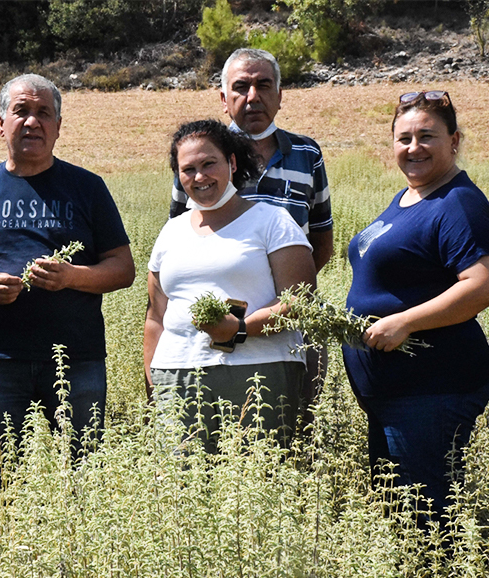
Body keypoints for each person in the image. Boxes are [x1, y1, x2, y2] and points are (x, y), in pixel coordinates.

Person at [0, 74, 135, 441]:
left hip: (76, 358)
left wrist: (70, 277)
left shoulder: (88, 188)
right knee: (2, 468)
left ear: (58, 127)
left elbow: (123, 269)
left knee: (81, 465)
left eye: (44, 113)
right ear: (1, 123)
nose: (32, 121)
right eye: (20, 111)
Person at [342, 91, 489, 519]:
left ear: (454, 140)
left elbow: (481, 285)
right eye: (404, 137)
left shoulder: (458, 203)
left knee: (426, 519)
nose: (413, 147)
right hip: (395, 391)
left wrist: (403, 322)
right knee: (400, 516)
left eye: (427, 136)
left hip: (430, 390)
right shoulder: (411, 198)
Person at [170, 48, 333, 411]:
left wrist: (278, 296)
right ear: (224, 98)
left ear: (280, 95)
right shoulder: (197, 156)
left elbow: (321, 242)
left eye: (264, 85)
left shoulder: (307, 154)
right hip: (208, 332)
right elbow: (177, 241)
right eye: (241, 87)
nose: (253, 96)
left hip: (292, 323)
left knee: (293, 428)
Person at [145, 119, 317, 452]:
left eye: (209, 164)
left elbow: (300, 303)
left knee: (255, 482)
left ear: (232, 163)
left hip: (258, 374)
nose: (200, 177)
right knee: (184, 487)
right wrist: (155, 384)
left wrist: (239, 329)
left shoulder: (272, 221)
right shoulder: (172, 231)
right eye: (188, 169)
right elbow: (155, 316)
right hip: (177, 375)